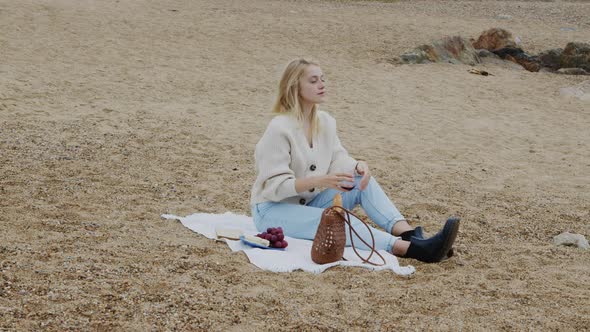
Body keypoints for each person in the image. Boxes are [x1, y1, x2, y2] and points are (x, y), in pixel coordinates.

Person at [250, 58, 459, 263]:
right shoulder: (279, 129)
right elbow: (274, 187)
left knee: (358, 180)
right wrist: (321, 181)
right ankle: (410, 249)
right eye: (313, 81)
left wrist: (356, 166)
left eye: (322, 79)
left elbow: (338, 157)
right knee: (341, 220)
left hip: (308, 205)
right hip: (272, 210)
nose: (322, 85)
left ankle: (410, 234)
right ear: (294, 87)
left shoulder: (325, 121)